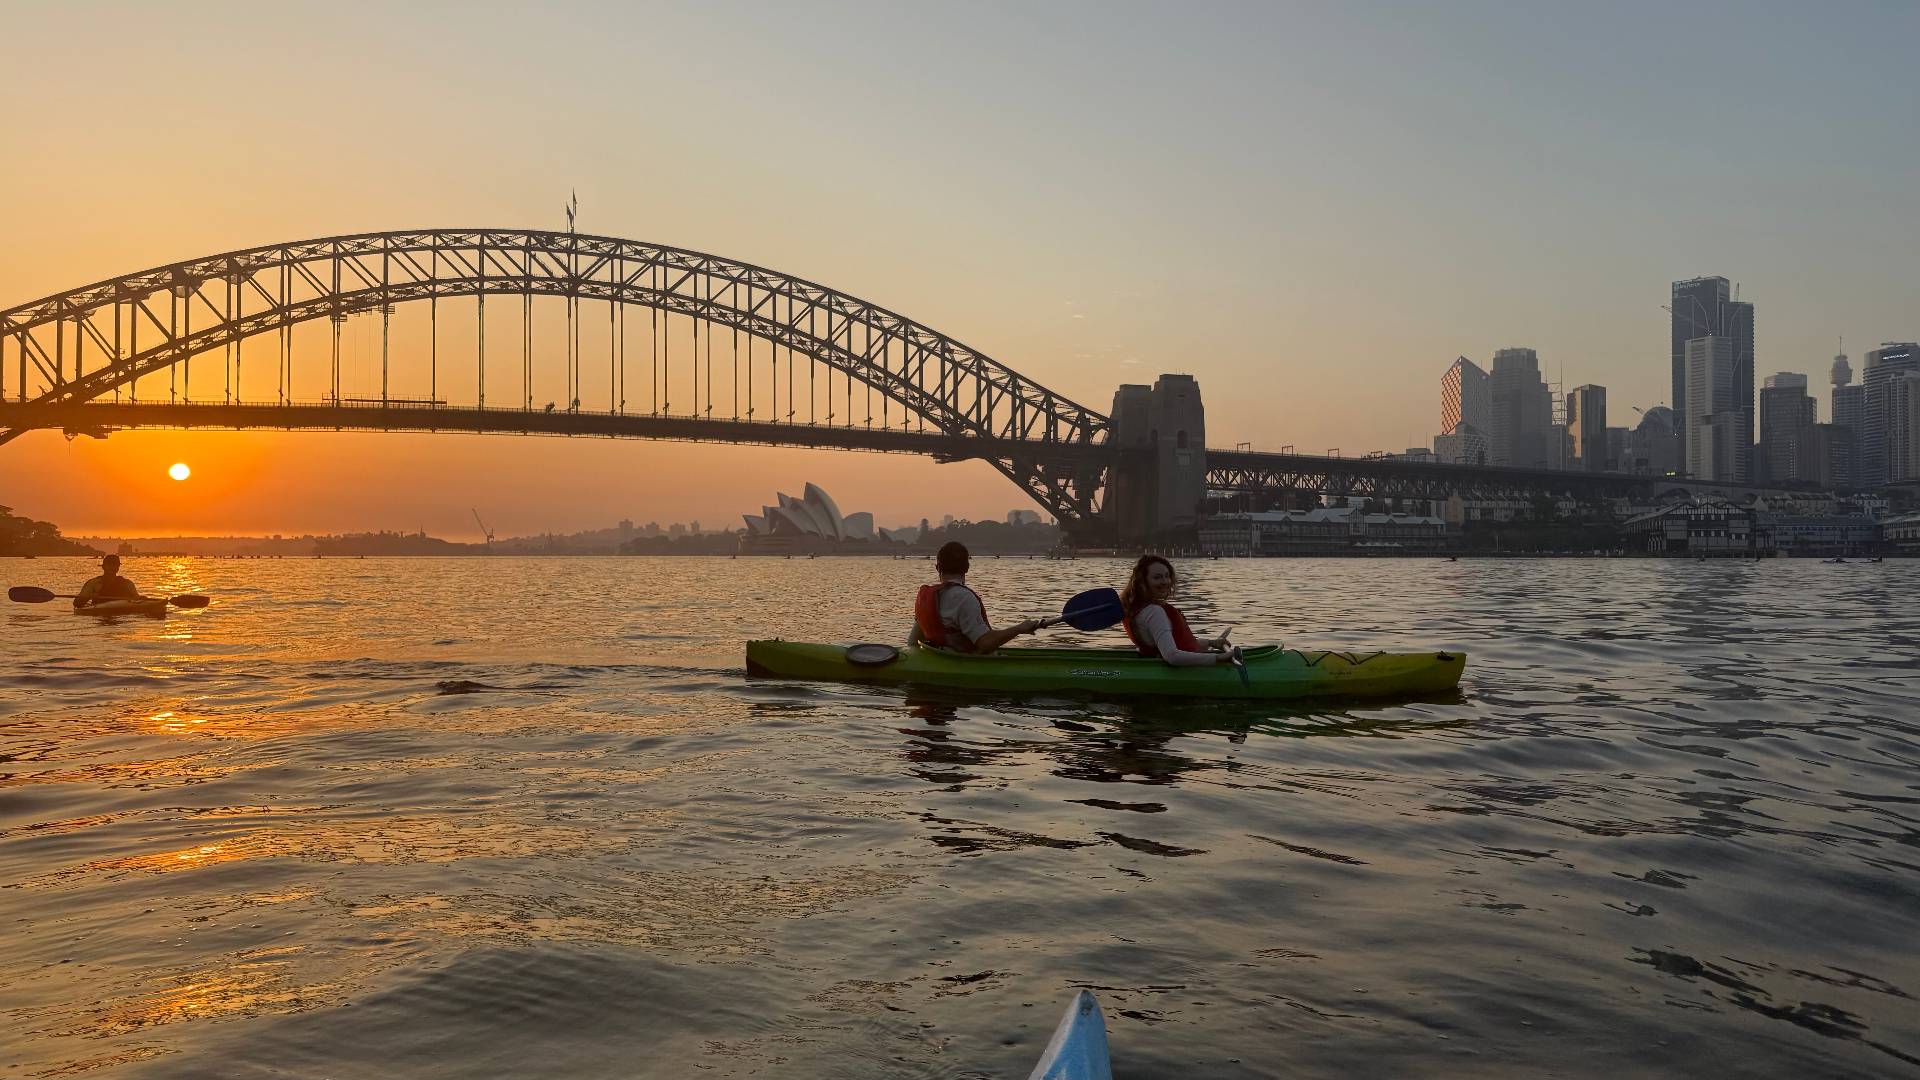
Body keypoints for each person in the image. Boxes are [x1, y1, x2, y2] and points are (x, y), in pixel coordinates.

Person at [909, 541, 1041, 655]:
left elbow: (912, 642)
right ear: (967, 568)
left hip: (936, 655)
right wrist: (1020, 628)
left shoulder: (925, 597)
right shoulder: (964, 598)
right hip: (961, 661)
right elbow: (985, 643)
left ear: (937, 568)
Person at [1119, 554, 1236, 667]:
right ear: (1143, 582)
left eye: (1166, 576)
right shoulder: (1154, 612)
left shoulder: (1137, 608)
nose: (1165, 581)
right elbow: (1172, 656)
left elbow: (1176, 643)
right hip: (1178, 669)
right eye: (1157, 577)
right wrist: (1218, 658)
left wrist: (1211, 643)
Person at [73, 554, 142, 609]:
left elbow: (138, 600)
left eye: (115, 565)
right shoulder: (93, 583)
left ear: (118, 568)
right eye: (109, 565)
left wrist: (142, 599)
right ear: (103, 567)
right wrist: (88, 597)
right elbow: (77, 603)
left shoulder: (127, 583)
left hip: (122, 618)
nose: (112, 567)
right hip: (100, 614)